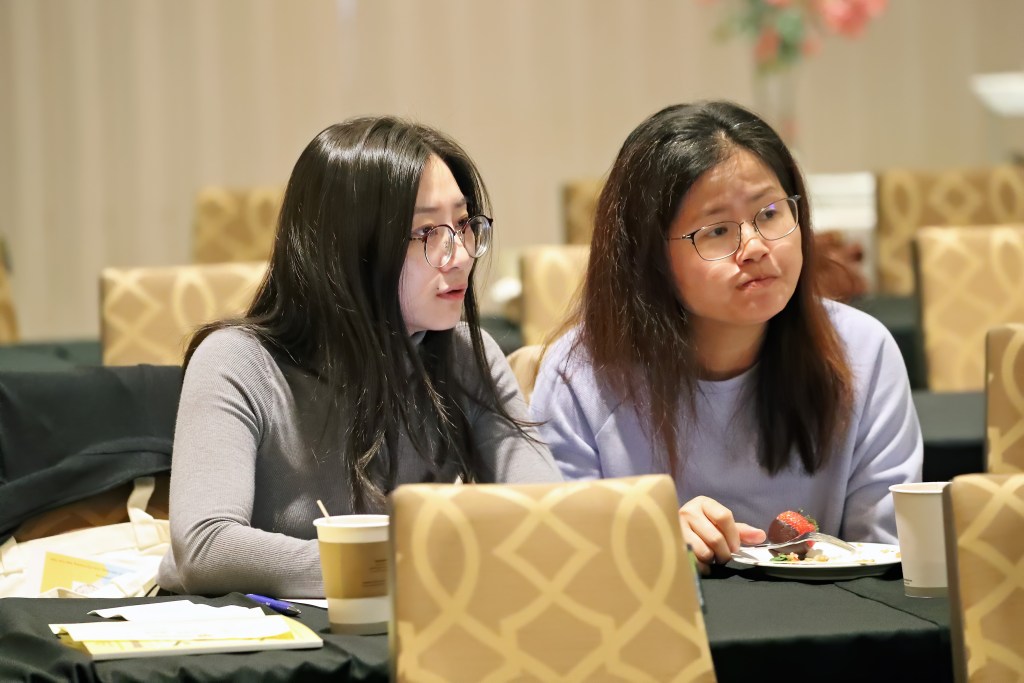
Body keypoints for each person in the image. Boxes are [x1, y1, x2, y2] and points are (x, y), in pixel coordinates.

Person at [158, 117, 560, 596]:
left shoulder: (466, 355)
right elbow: (206, 548)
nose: (460, 256)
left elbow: (551, 518)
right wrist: (420, 566)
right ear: (347, 250)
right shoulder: (238, 362)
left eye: (462, 224)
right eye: (427, 232)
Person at [529, 101, 922, 574]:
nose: (755, 247)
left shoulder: (862, 351)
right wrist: (646, 539)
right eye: (716, 230)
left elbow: (884, 557)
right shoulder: (581, 375)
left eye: (770, 213)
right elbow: (559, 562)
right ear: (648, 257)